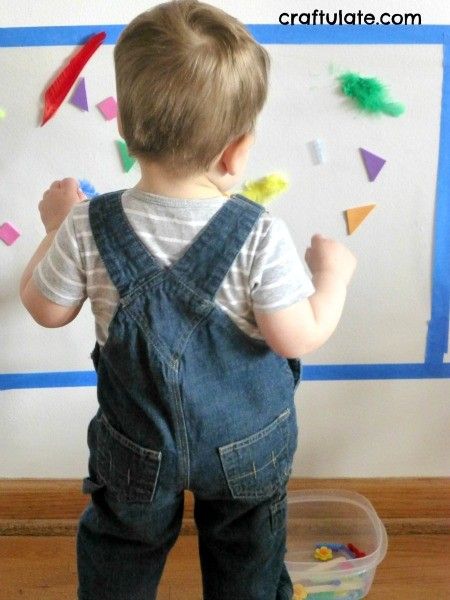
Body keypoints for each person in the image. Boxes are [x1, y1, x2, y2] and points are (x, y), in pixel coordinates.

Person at [19, 1, 357, 599]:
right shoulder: (259, 233)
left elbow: (46, 309)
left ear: (124, 126)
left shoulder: (85, 226)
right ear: (236, 152)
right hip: (246, 450)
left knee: (119, 555)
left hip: (134, 448)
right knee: (249, 558)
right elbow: (296, 337)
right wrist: (333, 276)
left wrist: (53, 226)